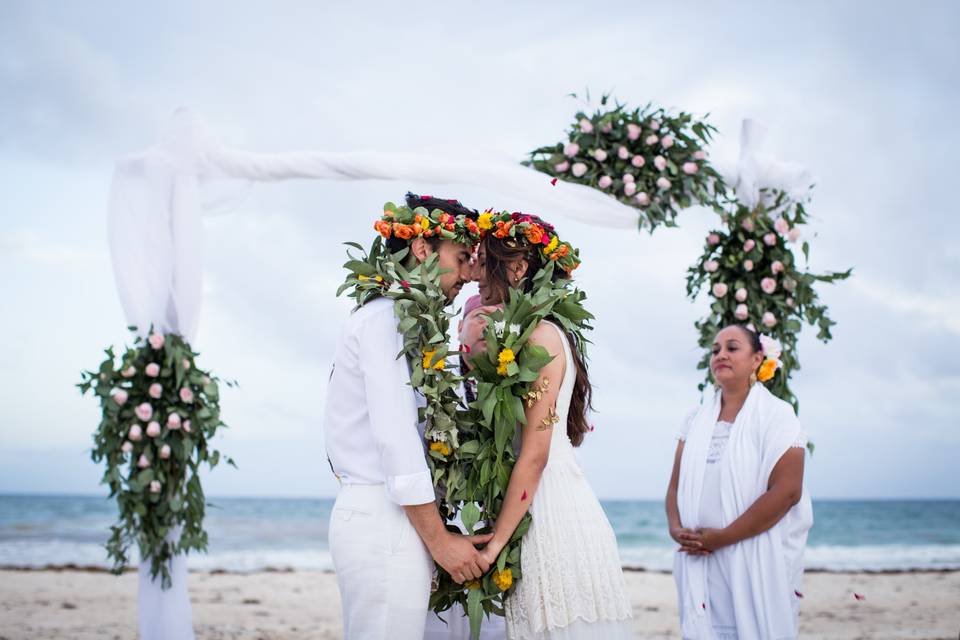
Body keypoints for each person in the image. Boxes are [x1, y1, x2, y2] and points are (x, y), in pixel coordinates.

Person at [324, 193, 492, 640]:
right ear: (422, 250)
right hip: (383, 518)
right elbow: (397, 442)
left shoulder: (410, 323)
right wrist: (442, 544)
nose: (469, 278)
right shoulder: (385, 318)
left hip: (399, 517)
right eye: (462, 258)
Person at [463, 212, 633, 639]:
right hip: (531, 498)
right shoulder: (522, 332)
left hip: (549, 509)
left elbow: (535, 453)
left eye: (484, 261)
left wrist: (497, 542)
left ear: (517, 268)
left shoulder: (539, 338)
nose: (473, 273)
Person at [666, 324, 813, 639]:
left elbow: (788, 491)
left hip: (751, 558)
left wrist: (723, 538)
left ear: (757, 358)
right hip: (698, 560)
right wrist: (677, 529)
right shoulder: (694, 419)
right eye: (716, 350)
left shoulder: (777, 415)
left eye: (732, 348)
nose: (721, 355)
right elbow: (675, 486)